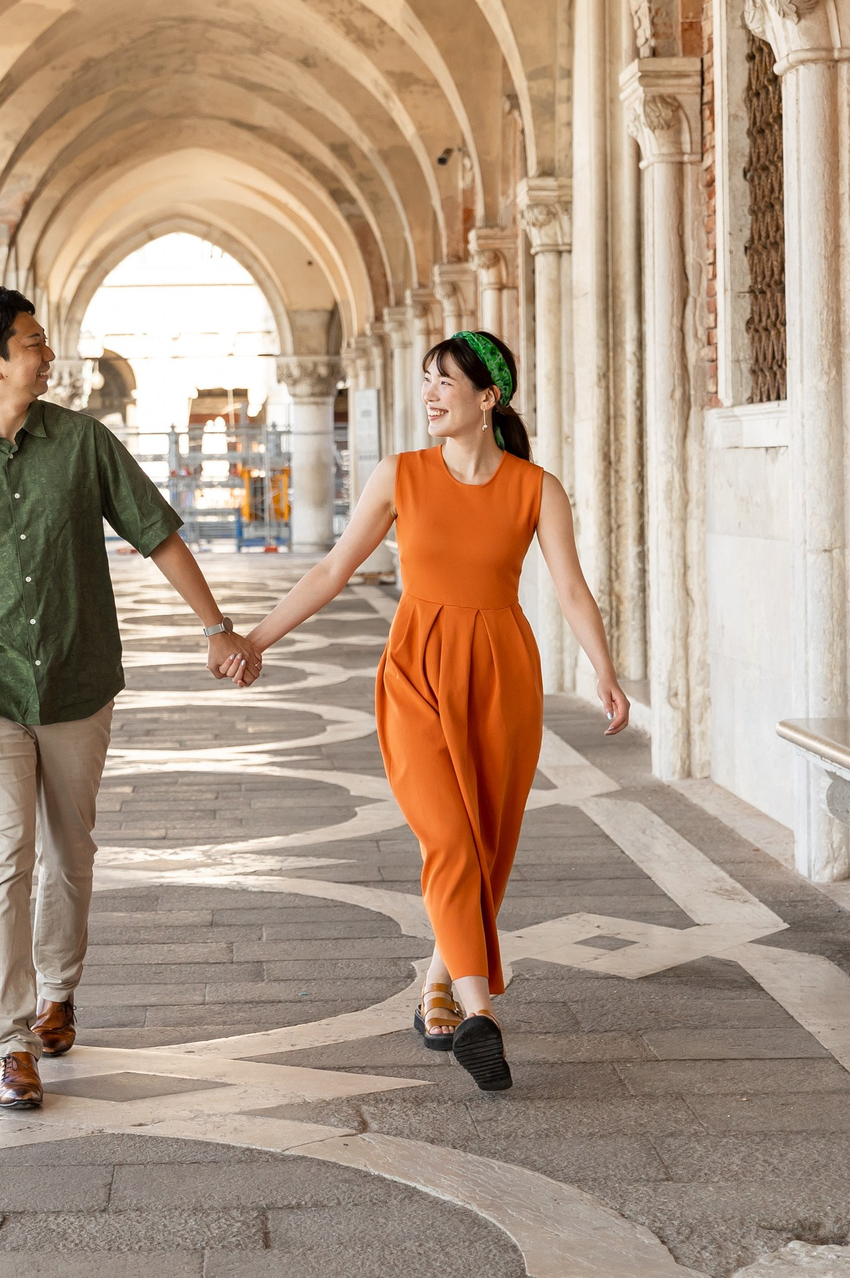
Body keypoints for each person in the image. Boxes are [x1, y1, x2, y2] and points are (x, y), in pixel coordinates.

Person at [0, 286, 262, 1113]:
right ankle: (11, 1040)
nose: (48, 354)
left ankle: (58, 990)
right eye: (33, 342)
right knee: (2, 853)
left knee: (69, 850)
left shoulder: (84, 444)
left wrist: (217, 627)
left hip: (77, 678)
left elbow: (157, 533)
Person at [225, 329, 628, 1092]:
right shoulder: (399, 475)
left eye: (446, 381)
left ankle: (438, 989)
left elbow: (572, 588)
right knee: (447, 837)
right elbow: (333, 568)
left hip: (503, 677)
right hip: (416, 672)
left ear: (488, 398)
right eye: (426, 379)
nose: (430, 394)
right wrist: (255, 638)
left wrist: (603, 671)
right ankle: (480, 1014)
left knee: (485, 848)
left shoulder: (536, 488)